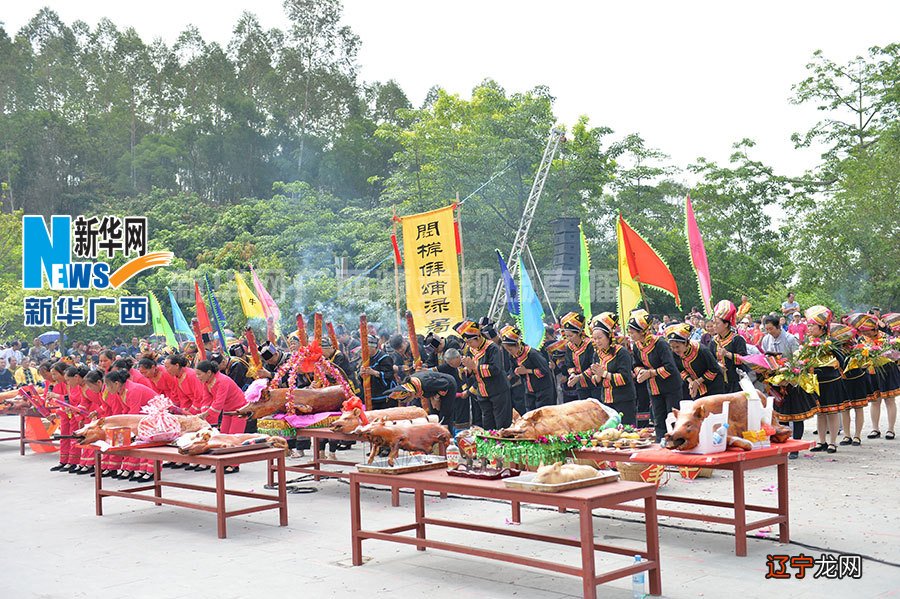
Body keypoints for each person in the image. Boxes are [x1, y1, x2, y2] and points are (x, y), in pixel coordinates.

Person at [628, 309, 681, 442]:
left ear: (643, 331)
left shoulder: (660, 344)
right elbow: (636, 364)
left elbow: (670, 367)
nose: (630, 335)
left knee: (673, 418)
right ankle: (660, 446)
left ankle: (676, 446)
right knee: (658, 419)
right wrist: (640, 372)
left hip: (670, 387)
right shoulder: (636, 346)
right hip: (653, 387)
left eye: (633, 332)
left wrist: (650, 373)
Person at [803, 306, 850, 454]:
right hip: (817, 380)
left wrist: (829, 354)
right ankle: (821, 441)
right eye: (808, 325)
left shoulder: (831, 341)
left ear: (821, 327)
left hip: (831, 380)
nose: (809, 328)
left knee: (832, 411)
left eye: (811, 325)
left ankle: (833, 442)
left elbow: (842, 359)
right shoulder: (808, 341)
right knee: (820, 412)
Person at [455, 319, 511, 430]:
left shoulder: (492, 348)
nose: (468, 345)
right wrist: (467, 370)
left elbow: (496, 369)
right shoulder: (471, 350)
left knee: (501, 423)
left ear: (478, 337)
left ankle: (503, 445)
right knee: (487, 423)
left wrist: (474, 367)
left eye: (470, 342)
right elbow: (471, 370)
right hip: (482, 392)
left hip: (497, 390)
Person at [104, 369, 158, 480]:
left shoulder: (133, 390)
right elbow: (125, 410)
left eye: (108, 386)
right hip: (142, 416)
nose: (108, 389)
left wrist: (125, 426)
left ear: (116, 383)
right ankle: (135, 468)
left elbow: (134, 413)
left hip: (154, 415)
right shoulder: (121, 391)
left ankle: (151, 471)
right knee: (134, 440)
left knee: (146, 443)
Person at [195, 360, 247, 473]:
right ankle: (224, 462)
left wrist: (205, 414)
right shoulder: (207, 382)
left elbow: (218, 402)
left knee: (234, 437)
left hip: (239, 409)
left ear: (208, 372)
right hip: (228, 409)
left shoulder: (222, 381)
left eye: (199, 374)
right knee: (223, 435)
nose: (197, 377)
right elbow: (206, 399)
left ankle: (234, 464)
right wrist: (203, 414)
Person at [588, 313, 637, 425]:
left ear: (609, 336)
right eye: (594, 339)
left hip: (624, 398)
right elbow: (594, 380)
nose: (597, 342)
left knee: (626, 430)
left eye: (600, 338)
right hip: (606, 399)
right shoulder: (597, 354)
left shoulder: (621, 352)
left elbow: (625, 378)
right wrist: (598, 376)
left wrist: (604, 373)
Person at [831, 318, 873, 447]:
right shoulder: (835, 344)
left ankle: (857, 436)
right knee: (845, 408)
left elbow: (868, 357)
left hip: (858, 378)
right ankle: (847, 435)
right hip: (843, 379)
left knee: (858, 407)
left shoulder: (860, 341)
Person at [857, 312, 898, 440]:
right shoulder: (862, 340)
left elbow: (895, 354)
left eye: (868, 331)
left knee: (889, 400)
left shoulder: (887, 338)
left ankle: (890, 429)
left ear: (875, 328)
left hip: (887, 370)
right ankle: (875, 429)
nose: (866, 334)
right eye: (864, 332)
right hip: (872, 371)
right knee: (875, 401)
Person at [499, 325, 554, 413]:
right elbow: (514, 369)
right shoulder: (513, 355)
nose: (509, 352)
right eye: (507, 350)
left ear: (517, 344)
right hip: (529, 390)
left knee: (542, 416)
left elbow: (545, 370)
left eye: (510, 349)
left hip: (543, 390)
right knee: (530, 414)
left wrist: (527, 371)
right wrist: (511, 376)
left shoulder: (532, 353)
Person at [664, 322, 724, 400]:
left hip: (713, 386)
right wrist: (691, 382)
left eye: (677, 347)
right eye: (672, 347)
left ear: (685, 343)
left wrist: (697, 382)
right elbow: (680, 370)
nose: (675, 350)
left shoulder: (702, 350)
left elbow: (714, 369)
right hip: (695, 387)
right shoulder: (674, 353)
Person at [390, 370, 458, 431]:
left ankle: (447, 437)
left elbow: (445, 383)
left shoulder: (426, 384)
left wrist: (436, 398)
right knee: (433, 415)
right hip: (434, 390)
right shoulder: (408, 384)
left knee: (445, 414)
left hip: (447, 386)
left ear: (411, 393)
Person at [711, 300, 749, 393]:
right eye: (713, 323)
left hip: (736, 381)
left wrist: (727, 354)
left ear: (726, 324)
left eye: (717, 323)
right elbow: (710, 359)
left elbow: (744, 360)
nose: (714, 326)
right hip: (719, 382)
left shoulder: (737, 339)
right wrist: (717, 365)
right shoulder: (713, 341)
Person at [560, 312, 597, 402]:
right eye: (566, 336)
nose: (568, 338)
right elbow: (569, 363)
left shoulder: (590, 344)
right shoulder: (569, 346)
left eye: (571, 336)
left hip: (594, 383)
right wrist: (572, 374)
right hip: (580, 385)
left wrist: (580, 376)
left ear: (579, 332)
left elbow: (594, 364)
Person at [437, 348, 475, 430]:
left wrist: (468, 392)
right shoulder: (452, 366)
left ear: (457, 357)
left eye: (451, 362)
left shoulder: (467, 362)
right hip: (458, 396)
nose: (450, 365)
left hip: (472, 394)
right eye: (449, 363)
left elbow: (475, 379)